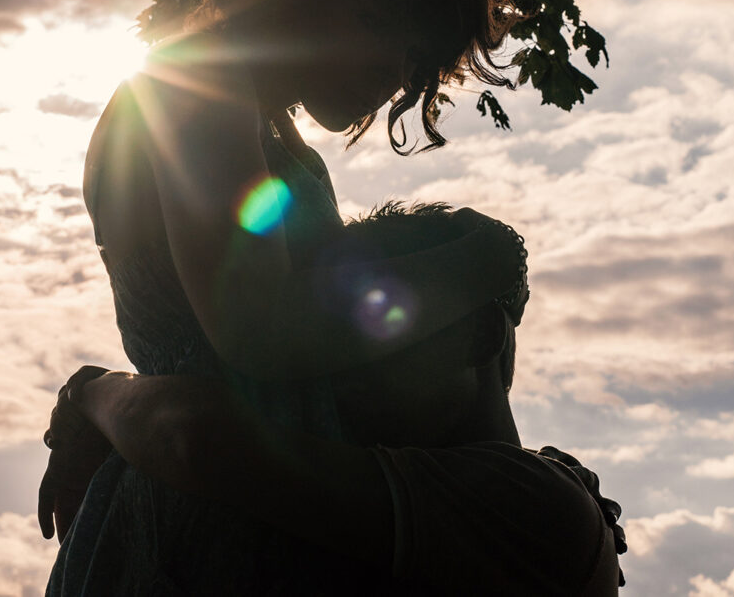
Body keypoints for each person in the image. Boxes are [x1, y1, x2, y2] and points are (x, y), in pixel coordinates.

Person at [48, 0, 532, 595]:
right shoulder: (197, 84)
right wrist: (479, 264)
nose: (390, 71)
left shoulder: (268, 131)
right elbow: (259, 328)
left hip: (271, 492)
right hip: (220, 519)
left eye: (414, 56)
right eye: (376, 21)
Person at [41, 203, 627, 595]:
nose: (332, 363)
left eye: (377, 330)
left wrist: (92, 394)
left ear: (480, 335)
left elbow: (191, 439)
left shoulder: (536, 509)